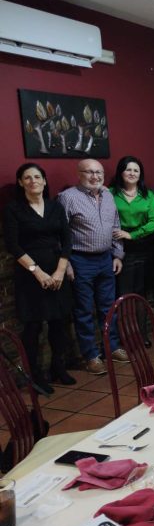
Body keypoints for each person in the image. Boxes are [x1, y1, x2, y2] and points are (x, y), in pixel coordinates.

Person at [3, 164, 76, 391]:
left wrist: (60, 271)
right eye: (27, 177)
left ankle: (58, 367)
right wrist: (38, 272)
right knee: (33, 326)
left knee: (58, 322)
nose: (33, 180)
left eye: (37, 176)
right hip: (30, 273)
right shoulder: (13, 209)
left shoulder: (55, 206)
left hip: (56, 268)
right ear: (20, 182)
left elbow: (67, 240)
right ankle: (34, 375)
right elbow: (13, 245)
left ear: (44, 181)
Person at [58, 159, 128, 375]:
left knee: (109, 307)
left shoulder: (108, 195)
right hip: (80, 260)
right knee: (84, 310)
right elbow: (60, 233)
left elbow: (116, 226)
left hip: (106, 259)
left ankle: (111, 347)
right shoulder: (67, 197)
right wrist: (66, 263)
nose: (95, 176)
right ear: (79, 174)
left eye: (99, 172)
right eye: (89, 172)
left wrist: (118, 254)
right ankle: (90, 355)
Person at [110, 156, 154, 301]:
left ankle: (140, 317)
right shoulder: (110, 193)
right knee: (123, 290)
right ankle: (125, 316)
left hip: (144, 246)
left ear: (140, 174)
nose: (132, 173)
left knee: (142, 290)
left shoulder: (148, 195)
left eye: (136, 170)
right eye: (128, 170)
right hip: (120, 247)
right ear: (121, 172)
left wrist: (132, 235)